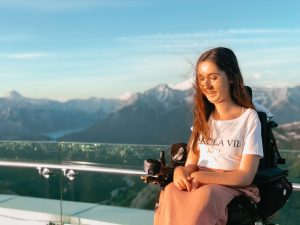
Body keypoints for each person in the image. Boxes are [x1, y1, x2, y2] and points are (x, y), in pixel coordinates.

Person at [154, 47, 264, 225]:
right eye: (202, 78)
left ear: (230, 77)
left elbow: (245, 176)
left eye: (213, 77)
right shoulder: (205, 118)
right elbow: (191, 163)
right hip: (198, 180)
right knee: (171, 191)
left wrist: (205, 177)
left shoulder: (248, 118)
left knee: (206, 196)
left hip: (229, 184)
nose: (206, 85)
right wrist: (181, 171)